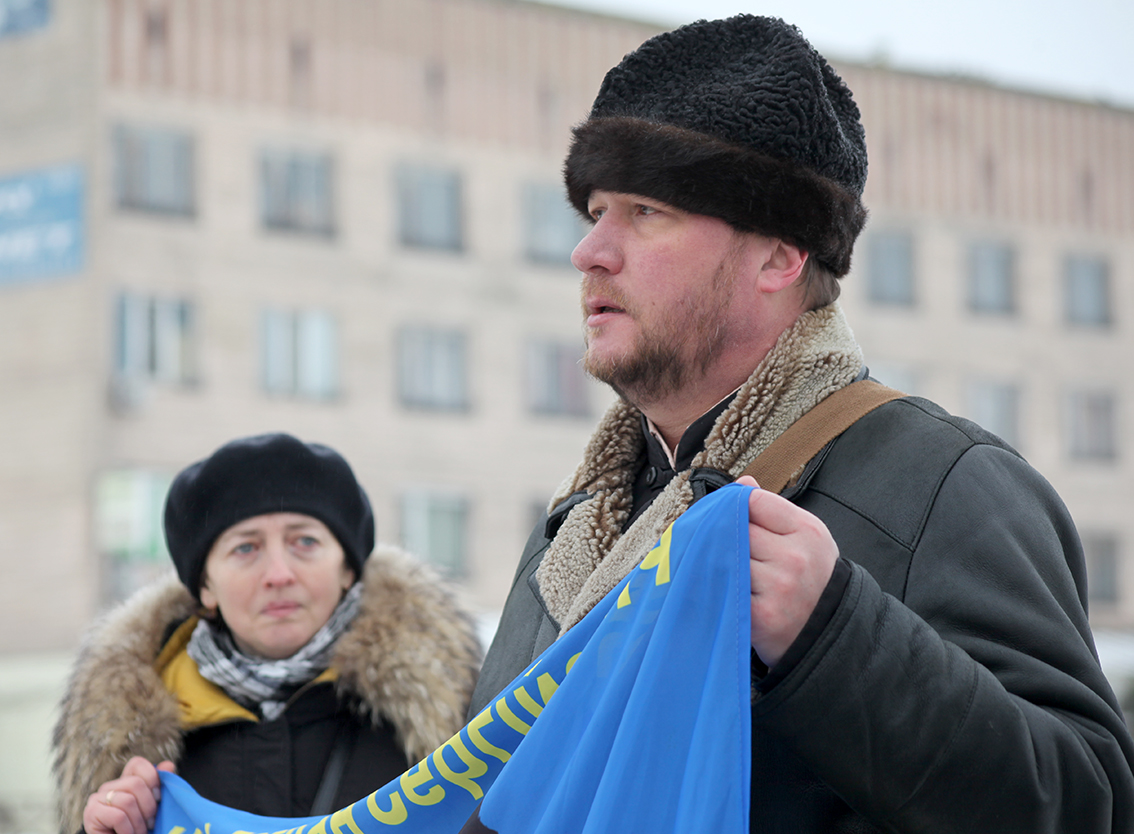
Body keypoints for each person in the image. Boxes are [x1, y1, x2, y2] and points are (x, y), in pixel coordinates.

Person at [469, 15, 1134, 833]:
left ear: (780, 256)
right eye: (595, 211)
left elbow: (1089, 804)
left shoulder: (947, 482)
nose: (591, 252)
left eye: (646, 211)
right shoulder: (571, 534)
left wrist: (836, 636)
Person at [53, 433, 481, 834]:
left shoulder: (454, 725)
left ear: (347, 569)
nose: (279, 574)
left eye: (305, 542)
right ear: (205, 586)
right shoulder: (139, 751)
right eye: (246, 548)